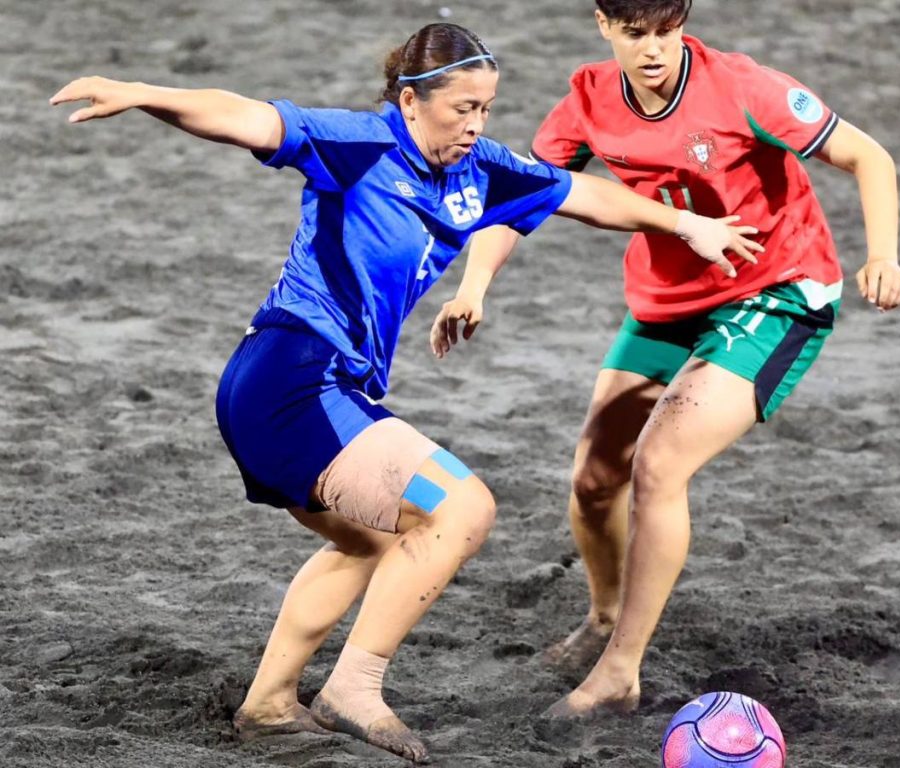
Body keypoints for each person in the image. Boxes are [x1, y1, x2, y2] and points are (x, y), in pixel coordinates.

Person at [51, 22, 761, 761]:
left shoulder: (479, 170)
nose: (476, 124)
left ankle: (268, 704)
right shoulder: (359, 143)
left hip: (306, 385)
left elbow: (582, 193)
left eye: (486, 108)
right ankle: (354, 688)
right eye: (462, 109)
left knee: (370, 542)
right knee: (464, 508)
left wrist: (686, 223)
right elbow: (245, 117)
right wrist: (144, 93)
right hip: (294, 378)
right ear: (412, 100)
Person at [430, 1, 900, 719]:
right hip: (670, 300)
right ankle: (604, 617)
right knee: (594, 481)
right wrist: (473, 286)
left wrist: (883, 256)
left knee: (658, 465)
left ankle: (620, 673)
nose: (653, 49)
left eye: (666, 31)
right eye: (635, 33)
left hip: (777, 292)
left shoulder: (743, 87)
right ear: (603, 24)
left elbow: (869, 155)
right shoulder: (589, 98)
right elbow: (522, 197)